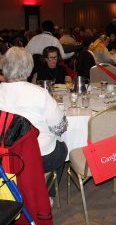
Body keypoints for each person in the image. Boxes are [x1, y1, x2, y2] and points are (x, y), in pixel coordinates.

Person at [0, 46, 68, 201]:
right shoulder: (39, 93)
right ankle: (47, 195)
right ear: (29, 68)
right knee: (62, 147)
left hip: (4, 154)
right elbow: (61, 126)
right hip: (37, 155)